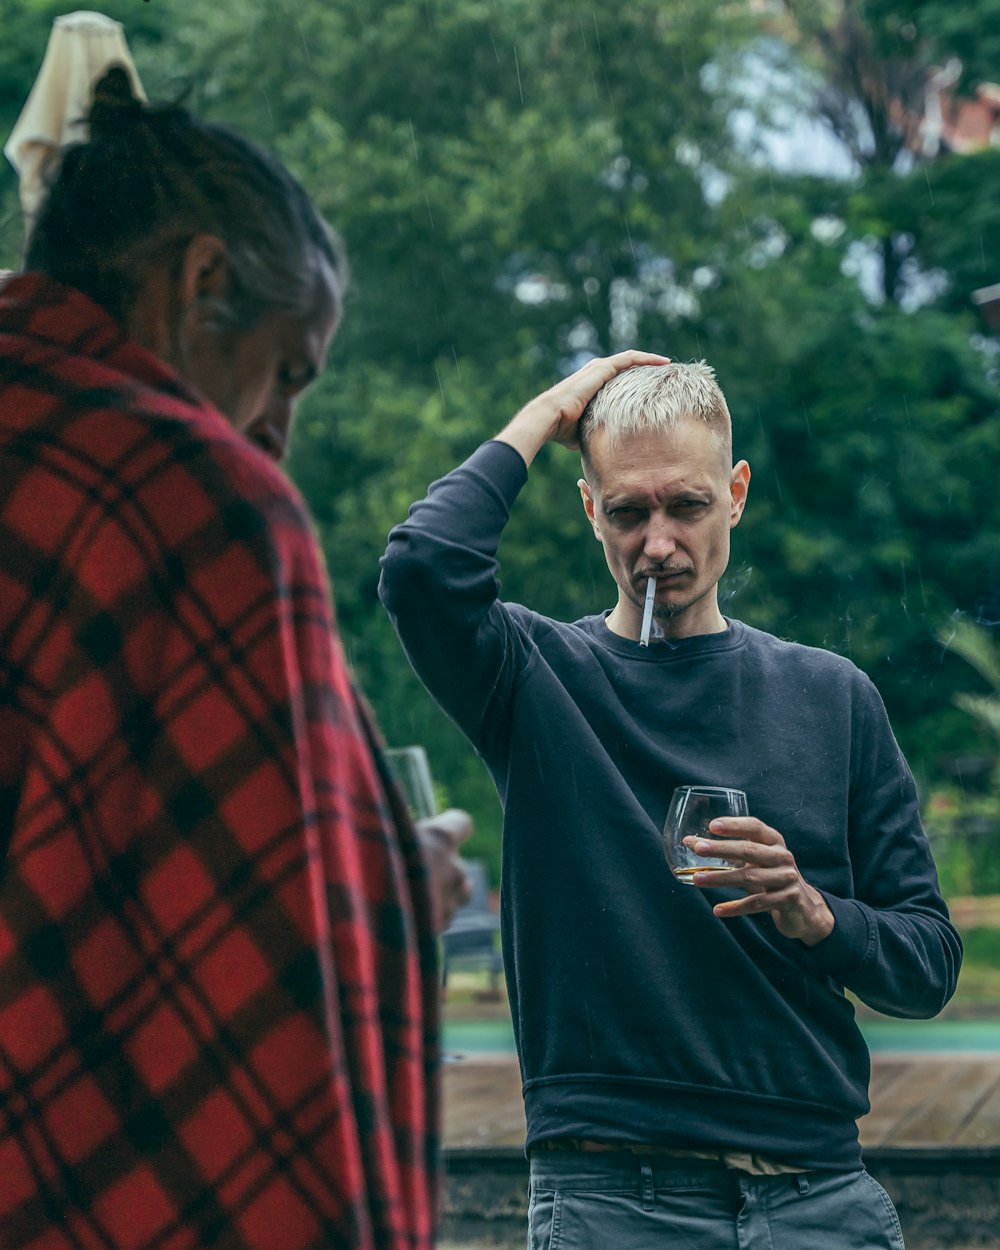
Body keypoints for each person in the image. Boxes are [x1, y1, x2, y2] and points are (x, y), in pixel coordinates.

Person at [0, 67, 470, 1250]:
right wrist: (394, 896)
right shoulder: (198, 504)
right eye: (287, 370)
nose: (278, 432)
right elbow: (245, 958)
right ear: (199, 280)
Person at [379, 354, 963, 1248]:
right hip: (612, 1195)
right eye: (627, 511)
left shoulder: (832, 696)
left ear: (735, 494)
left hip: (817, 1196)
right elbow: (422, 569)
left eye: (686, 506)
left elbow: (927, 967)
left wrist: (813, 913)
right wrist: (550, 409)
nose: (657, 543)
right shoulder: (536, 679)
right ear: (587, 508)